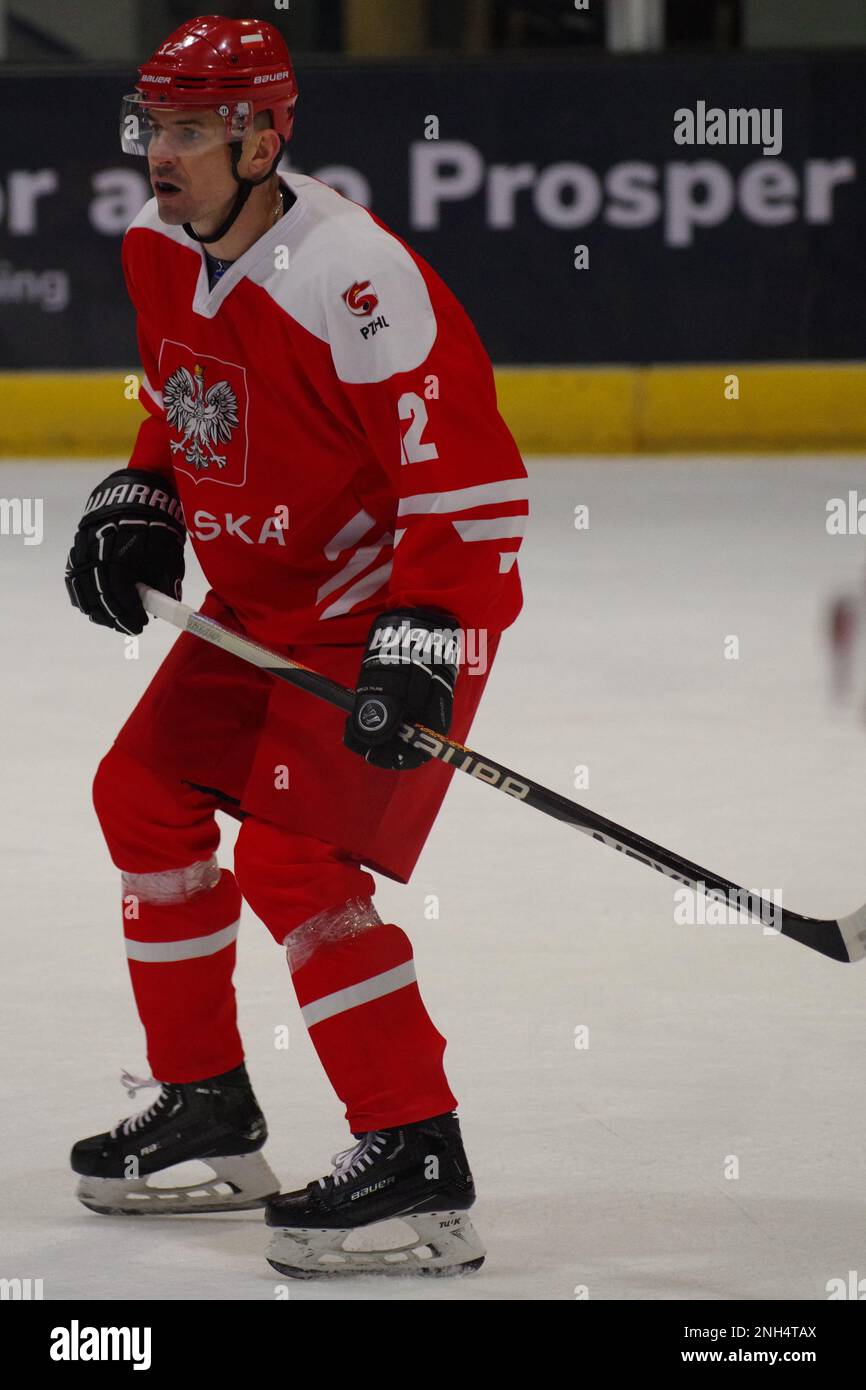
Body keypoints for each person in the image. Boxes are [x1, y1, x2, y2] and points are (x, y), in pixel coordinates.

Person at [65, 14, 527, 1278]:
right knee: (141, 796)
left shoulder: (357, 278)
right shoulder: (156, 246)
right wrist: (146, 493)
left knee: (293, 860)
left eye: (191, 130)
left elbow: (473, 491)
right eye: (150, 126)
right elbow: (182, 398)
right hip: (262, 605)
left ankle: (416, 1158)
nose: (161, 153)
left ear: (264, 137)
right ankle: (207, 1103)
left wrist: (424, 638)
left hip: (391, 615)